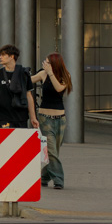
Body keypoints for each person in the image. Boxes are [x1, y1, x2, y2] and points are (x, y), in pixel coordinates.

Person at [33, 52, 70, 189]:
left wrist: (50, 73)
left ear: (54, 64)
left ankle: (43, 177)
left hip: (60, 119)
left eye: (47, 62)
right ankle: (59, 180)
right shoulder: (43, 74)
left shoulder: (65, 76)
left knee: (55, 152)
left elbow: (59, 88)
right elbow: (29, 80)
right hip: (45, 119)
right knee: (52, 152)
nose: (44, 64)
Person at [0, 44, 38, 130]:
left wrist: (33, 117)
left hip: (21, 117)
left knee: (20, 143)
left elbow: (29, 96)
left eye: (3, 55)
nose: (0, 57)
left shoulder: (24, 73)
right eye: (0, 55)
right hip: (4, 116)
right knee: (5, 143)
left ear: (12, 56)